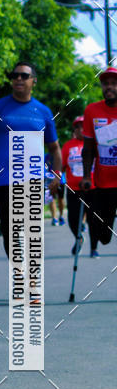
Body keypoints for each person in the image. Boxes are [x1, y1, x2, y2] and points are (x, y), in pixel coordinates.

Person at [0, 61, 61, 257]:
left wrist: (57, 174)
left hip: (34, 179)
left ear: (33, 81)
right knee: (10, 231)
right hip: (5, 180)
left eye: (24, 76)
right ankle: (18, 269)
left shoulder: (43, 111)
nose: (18, 79)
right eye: (15, 75)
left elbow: (54, 148)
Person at [81, 66, 117, 255]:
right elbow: (88, 149)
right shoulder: (92, 110)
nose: (109, 87)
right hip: (104, 183)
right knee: (104, 236)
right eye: (106, 84)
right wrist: (87, 175)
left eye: (114, 83)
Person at [62, 115, 96, 255]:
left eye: (83, 126)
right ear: (74, 130)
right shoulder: (68, 146)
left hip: (93, 187)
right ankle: (79, 237)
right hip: (73, 188)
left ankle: (94, 248)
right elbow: (62, 166)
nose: (80, 129)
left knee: (93, 219)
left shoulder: (95, 144)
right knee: (72, 218)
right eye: (77, 126)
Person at [46, 152, 66, 225]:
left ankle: (61, 215)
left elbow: (64, 166)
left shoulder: (61, 155)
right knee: (52, 199)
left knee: (61, 200)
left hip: (61, 181)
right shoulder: (46, 156)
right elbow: (44, 167)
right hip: (50, 180)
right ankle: (54, 218)